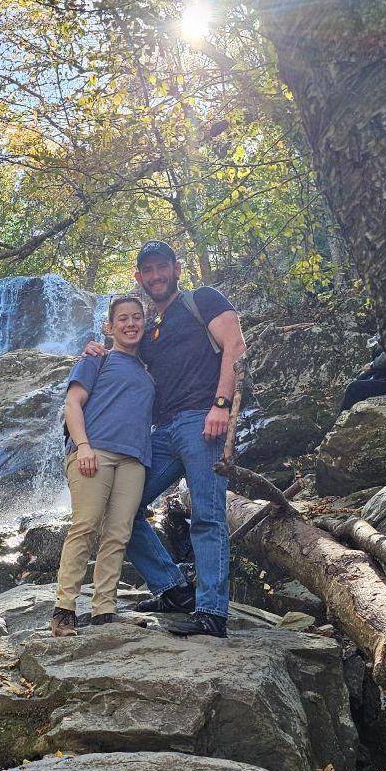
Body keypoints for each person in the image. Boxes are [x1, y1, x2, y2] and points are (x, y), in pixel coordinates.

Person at [83, 240, 246, 639]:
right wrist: (99, 352)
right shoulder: (150, 327)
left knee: (207, 514)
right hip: (162, 433)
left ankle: (211, 611)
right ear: (139, 278)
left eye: (162, 268)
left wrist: (221, 405)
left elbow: (235, 345)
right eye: (148, 271)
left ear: (176, 268)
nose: (156, 276)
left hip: (202, 422)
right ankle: (173, 590)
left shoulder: (202, 299)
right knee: (119, 510)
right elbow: (127, 360)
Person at [50, 296, 155, 636]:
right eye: (122, 318)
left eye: (136, 317)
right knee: (85, 525)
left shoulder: (149, 370)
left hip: (134, 459)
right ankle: (64, 610)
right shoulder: (97, 359)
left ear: (145, 322)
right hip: (94, 452)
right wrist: (83, 446)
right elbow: (72, 403)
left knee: (118, 534)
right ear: (109, 327)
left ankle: (104, 611)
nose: (130, 323)